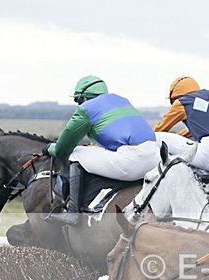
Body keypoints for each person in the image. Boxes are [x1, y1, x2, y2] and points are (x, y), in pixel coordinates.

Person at [43, 75, 158, 225]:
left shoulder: (86, 109)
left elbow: (62, 149)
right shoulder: (122, 101)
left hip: (131, 162)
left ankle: (72, 213)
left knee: (76, 154)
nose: (78, 105)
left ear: (84, 98)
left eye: (77, 100)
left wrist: (48, 148)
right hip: (155, 159)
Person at [153, 76, 209, 173]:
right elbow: (201, 128)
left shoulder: (181, 103)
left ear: (175, 96)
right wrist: (178, 136)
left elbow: (160, 129)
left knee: (157, 137)